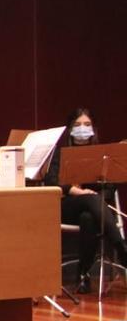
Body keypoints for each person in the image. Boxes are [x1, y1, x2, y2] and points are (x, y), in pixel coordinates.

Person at [44, 108, 127, 293]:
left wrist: (95, 192)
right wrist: (76, 191)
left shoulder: (101, 154)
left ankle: (83, 275)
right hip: (67, 207)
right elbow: (51, 180)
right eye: (78, 125)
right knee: (89, 201)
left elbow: (110, 187)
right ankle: (122, 248)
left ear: (93, 129)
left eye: (87, 125)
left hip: (96, 210)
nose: (83, 128)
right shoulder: (60, 153)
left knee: (88, 217)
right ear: (70, 128)